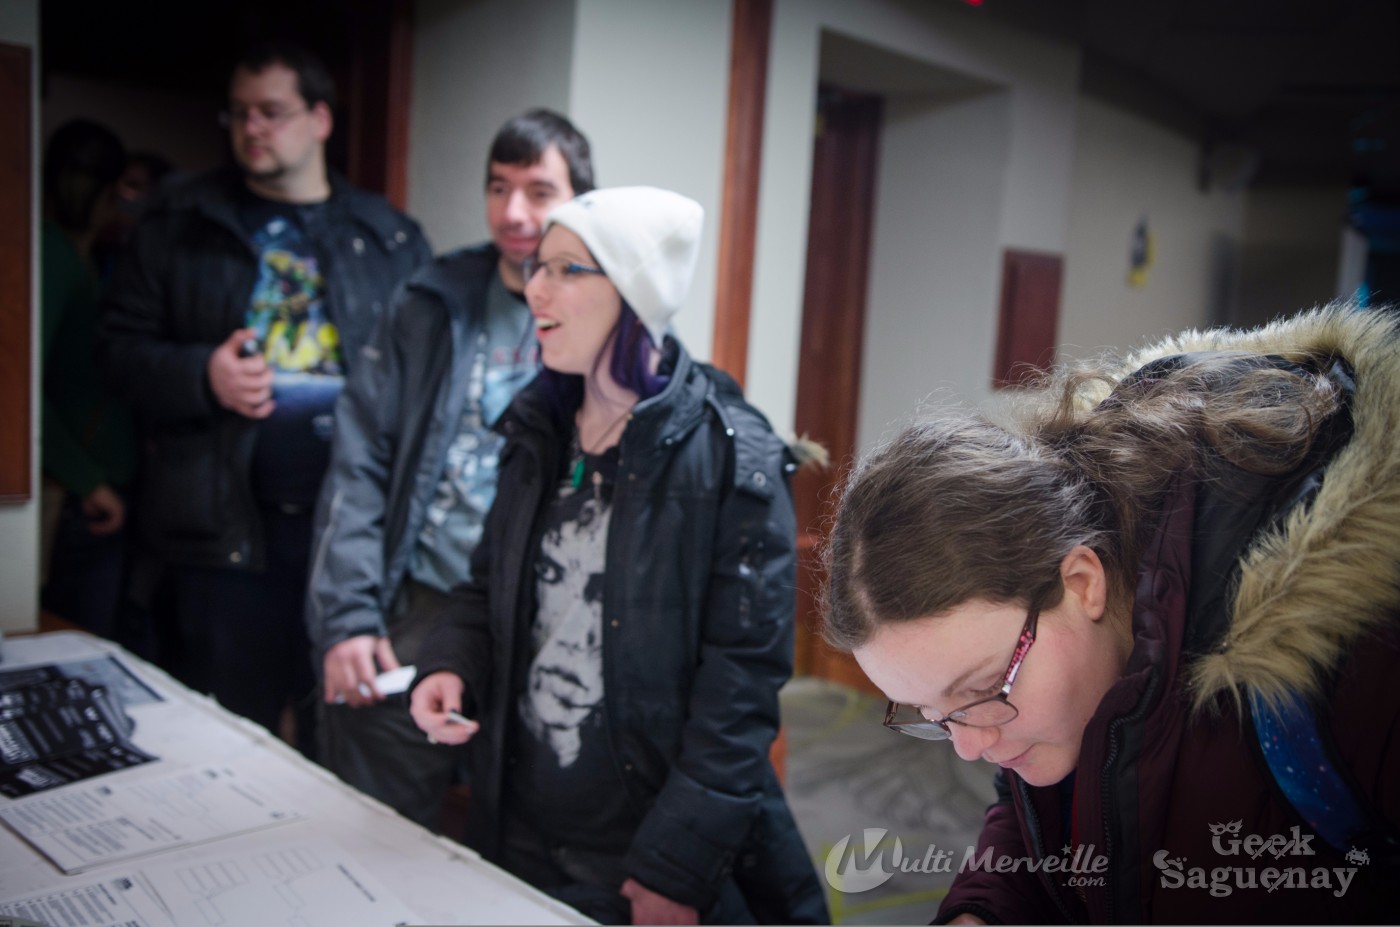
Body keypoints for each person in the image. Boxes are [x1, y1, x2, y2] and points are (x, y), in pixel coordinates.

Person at [821, 303, 1400, 923]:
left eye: (982, 689)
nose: (967, 746)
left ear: (1081, 582)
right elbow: (1047, 808)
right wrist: (983, 912)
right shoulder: (1043, 692)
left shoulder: (1356, 658)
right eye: (932, 714)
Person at [408, 186, 828, 925]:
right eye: (537, 267)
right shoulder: (537, 426)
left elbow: (739, 690)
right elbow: (486, 585)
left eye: (567, 269)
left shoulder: (733, 457)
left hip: (639, 847)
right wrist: (451, 663)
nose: (536, 289)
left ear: (635, 293)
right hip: (516, 820)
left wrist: (676, 866)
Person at [97, 40, 431, 756]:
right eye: (239, 112)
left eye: (271, 112)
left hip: (347, 542)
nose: (252, 128)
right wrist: (202, 374)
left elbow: (425, 386)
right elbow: (116, 355)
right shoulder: (179, 223)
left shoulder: (389, 237)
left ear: (319, 119)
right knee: (221, 747)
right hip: (220, 537)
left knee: (340, 747)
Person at [305, 109, 591, 828]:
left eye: (538, 191)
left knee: (527, 832)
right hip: (423, 600)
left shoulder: (609, 321)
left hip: (546, 619)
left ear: (581, 201)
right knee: (373, 815)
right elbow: (360, 459)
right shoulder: (430, 302)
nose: (514, 212)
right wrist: (346, 616)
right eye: (499, 188)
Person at [39, 119, 139, 642]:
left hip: (91, 486)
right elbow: (18, 393)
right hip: (75, 494)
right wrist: (87, 480)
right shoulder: (51, 256)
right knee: (74, 642)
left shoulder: (86, 259)